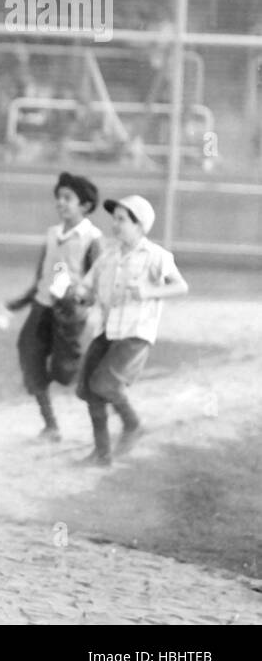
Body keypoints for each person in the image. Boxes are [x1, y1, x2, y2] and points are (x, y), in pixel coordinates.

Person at [72, 195, 188, 467]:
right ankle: (102, 454)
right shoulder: (108, 256)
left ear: (140, 225)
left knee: (104, 384)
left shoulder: (156, 256)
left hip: (135, 334)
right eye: (115, 218)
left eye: (122, 219)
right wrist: (79, 294)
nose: (115, 224)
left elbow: (181, 286)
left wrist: (149, 291)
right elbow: (88, 290)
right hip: (107, 330)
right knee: (89, 389)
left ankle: (132, 423)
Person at [2, 173, 104, 441]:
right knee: (29, 353)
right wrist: (21, 301)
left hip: (69, 314)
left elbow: (99, 281)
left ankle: (97, 384)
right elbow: (41, 276)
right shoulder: (52, 234)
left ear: (85, 205)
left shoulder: (92, 238)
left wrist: (80, 300)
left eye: (67, 198)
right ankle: (51, 424)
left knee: (64, 372)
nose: (60, 202)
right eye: (58, 197)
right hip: (42, 307)